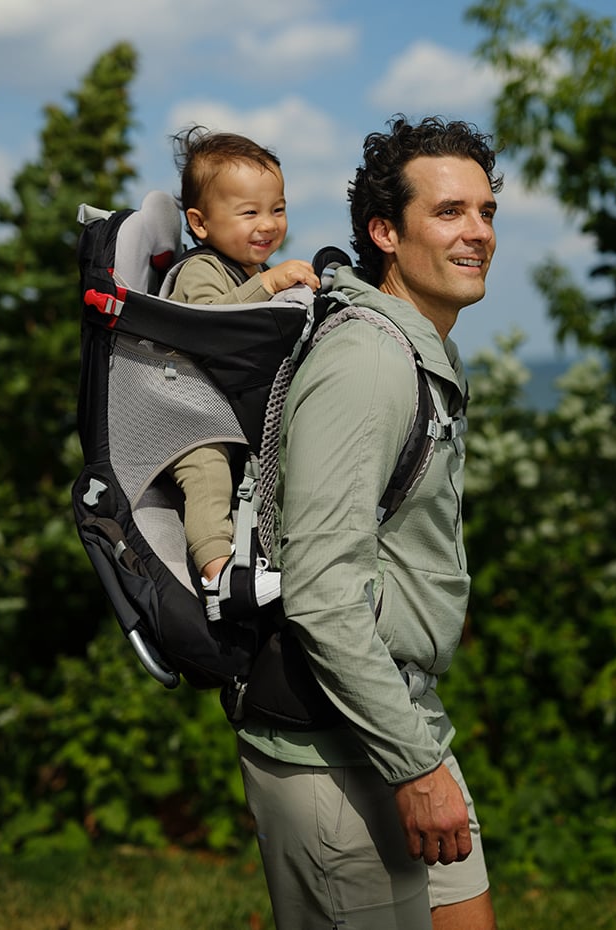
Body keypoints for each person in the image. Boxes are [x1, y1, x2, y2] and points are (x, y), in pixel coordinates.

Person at [236, 115, 502, 930]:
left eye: (487, 211)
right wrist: (415, 767)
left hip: (400, 724)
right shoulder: (368, 363)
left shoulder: (418, 347)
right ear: (385, 232)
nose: (479, 233)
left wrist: (420, 753)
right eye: (450, 212)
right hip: (338, 750)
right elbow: (320, 591)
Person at [165, 126, 320, 616]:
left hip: (226, 407)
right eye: (249, 212)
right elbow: (214, 326)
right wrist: (272, 284)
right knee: (208, 473)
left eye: (277, 209)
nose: (268, 224)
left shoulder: (250, 272)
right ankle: (219, 577)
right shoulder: (201, 271)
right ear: (201, 222)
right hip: (183, 414)